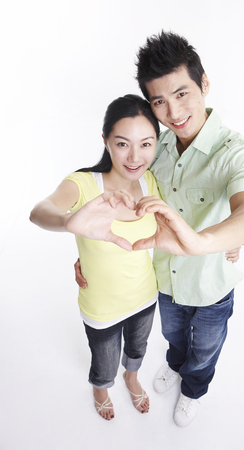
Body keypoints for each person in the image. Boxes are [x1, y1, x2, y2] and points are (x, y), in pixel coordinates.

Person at [75, 31, 244, 427]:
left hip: (211, 283)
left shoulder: (235, 151)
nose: (173, 112)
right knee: (175, 341)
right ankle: (175, 367)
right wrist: (88, 251)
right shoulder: (154, 147)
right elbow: (119, 198)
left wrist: (206, 241)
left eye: (181, 94)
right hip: (163, 279)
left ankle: (194, 389)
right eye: (159, 101)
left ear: (204, 83)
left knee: (206, 350)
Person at [30, 94, 162, 421]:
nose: (135, 157)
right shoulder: (85, 184)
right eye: (122, 144)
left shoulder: (152, 181)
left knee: (136, 351)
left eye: (146, 144)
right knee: (104, 364)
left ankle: (131, 378)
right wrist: (68, 222)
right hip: (101, 306)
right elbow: (39, 211)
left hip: (145, 295)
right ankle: (101, 388)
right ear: (105, 141)